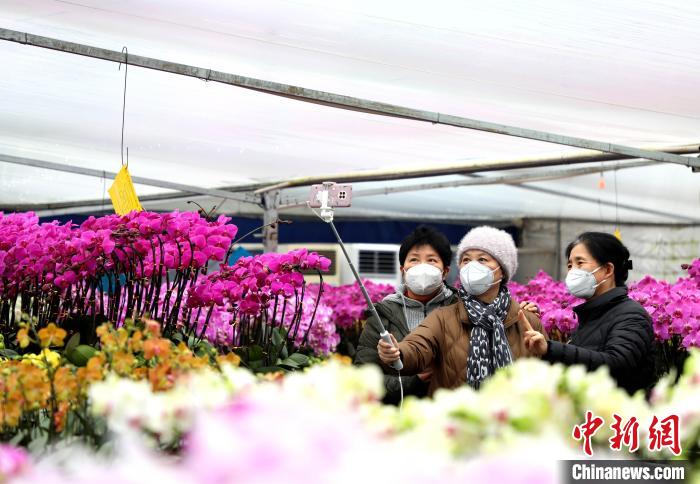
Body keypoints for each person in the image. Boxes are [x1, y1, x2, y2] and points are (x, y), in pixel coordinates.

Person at [377, 226, 545, 394]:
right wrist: (398, 352)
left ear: (502, 270)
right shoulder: (444, 317)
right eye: (466, 260)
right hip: (457, 417)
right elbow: (417, 347)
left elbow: (547, 376)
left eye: (482, 259)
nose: (472, 266)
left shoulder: (527, 320)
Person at [520, 232, 656, 395]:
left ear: (607, 269)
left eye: (580, 263)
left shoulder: (631, 315)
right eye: (570, 265)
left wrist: (550, 348)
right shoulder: (591, 314)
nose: (572, 271)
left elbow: (616, 365)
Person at [355, 226, 459, 404]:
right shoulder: (383, 314)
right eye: (414, 260)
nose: (423, 267)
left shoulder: (461, 308)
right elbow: (363, 377)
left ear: (445, 271)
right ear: (403, 270)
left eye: (432, 260)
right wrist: (413, 382)